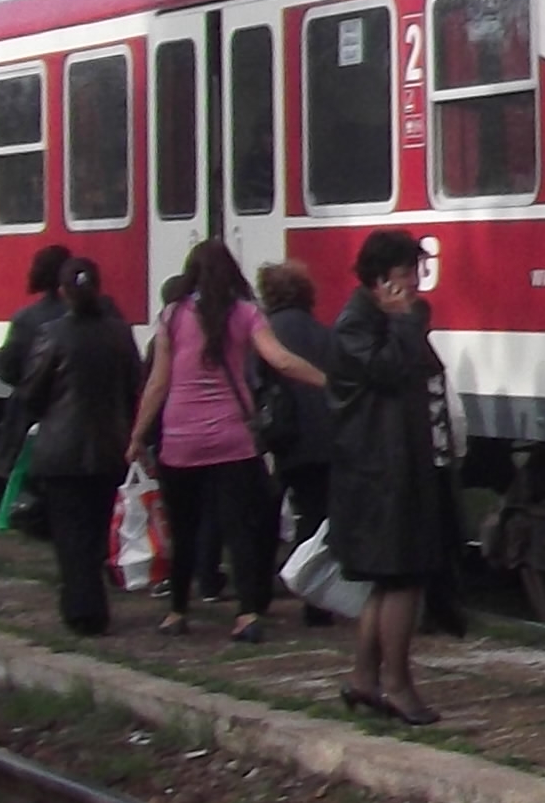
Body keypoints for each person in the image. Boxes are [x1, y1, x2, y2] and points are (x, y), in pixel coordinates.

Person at [132, 236, 328, 644]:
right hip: (232, 440)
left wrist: (137, 435)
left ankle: (177, 611)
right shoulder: (246, 314)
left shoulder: (171, 316)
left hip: (181, 440)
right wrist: (329, 382)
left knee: (183, 528)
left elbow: (158, 384)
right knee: (240, 528)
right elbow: (281, 360)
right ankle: (247, 614)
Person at [326, 228, 460, 726]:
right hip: (382, 472)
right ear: (382, 279)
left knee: (388, 581)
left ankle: (365, 679)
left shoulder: (377, 321)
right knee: (402, 579)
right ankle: (398, 686)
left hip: (394, 466)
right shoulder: (357, 327)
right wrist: (406, 321)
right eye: (408, 273)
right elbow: (388, 372)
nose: (417, 283)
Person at [6, 258, 144, 634]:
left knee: (70, 533)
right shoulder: (120, 333)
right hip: (109, 447)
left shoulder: (53, 334)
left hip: (61, 450)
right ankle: (92, 603)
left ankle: (82, 609)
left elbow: (32, 392)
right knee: (98, 529)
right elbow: (134, 384)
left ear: (63, 291)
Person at [0, 244, 76, 539]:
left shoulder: (26, 318)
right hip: (76, 413)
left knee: (36, 478)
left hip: (34, 413)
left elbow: (10, 369)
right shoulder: (92, 314)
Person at [254, 258, 338, 567]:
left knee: (263, 513)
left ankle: (260, 580)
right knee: (314, 513)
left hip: (279, 437)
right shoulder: (325, 332)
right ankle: (309, 580)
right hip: (323, 437)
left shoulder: (264, 333)